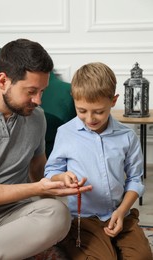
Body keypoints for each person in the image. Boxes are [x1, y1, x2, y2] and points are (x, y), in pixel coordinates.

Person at [0, 39, 92, 260]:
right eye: (31, 91)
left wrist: (58, 180)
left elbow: (39, 171)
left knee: (58, 214)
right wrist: (35, 188)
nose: (38, 101)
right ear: (3, 81)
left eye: (43, 91)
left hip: (14, 215)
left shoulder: (36, 118)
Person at [44, 62, 153, 259]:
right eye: (82, 110)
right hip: (83, 219)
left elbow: (136, 179)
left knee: (142, 257)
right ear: (74, 101)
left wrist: (122, 211)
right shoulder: (65, 133)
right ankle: (69, 241)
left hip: (120, 213)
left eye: (99, 111)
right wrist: (62, 177)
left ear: (113, 100)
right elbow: (50, 171)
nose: (90, 118)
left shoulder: (127, 136)